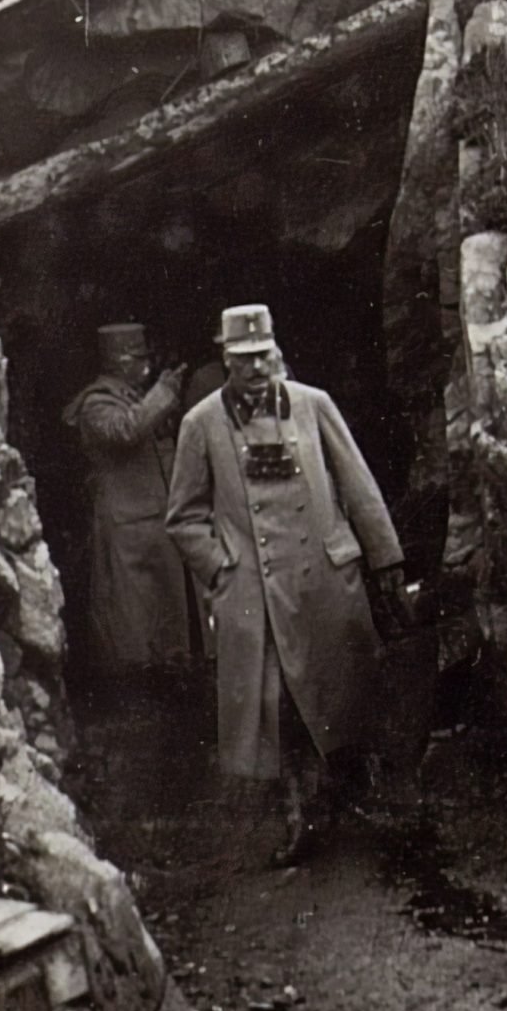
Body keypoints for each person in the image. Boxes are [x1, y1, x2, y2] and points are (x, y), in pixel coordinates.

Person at [166, 303, 412, 863]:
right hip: (256, 592)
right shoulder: (201, 424)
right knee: (279, 711)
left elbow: (359, 485)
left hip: (324, 581)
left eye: (264, 357)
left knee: (344, 693)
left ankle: (350, 797)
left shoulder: (312, 405)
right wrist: (221, 567)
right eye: (244, 360)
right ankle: (297, 813)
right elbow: (182, 516)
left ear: (276, 351)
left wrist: (386, 561)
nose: (257, 370)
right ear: (224, 360)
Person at [63, 322, 192, 687]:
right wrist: (163, 392)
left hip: (153, 519)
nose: (145, 364)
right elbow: (125, 431)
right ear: (120, 361)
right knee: (130, 615)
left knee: (165, 610)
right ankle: (132, 688)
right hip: (125, 525)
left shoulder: (138, 398)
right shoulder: (95, 404)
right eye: (139, 358)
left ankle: (170, 677)